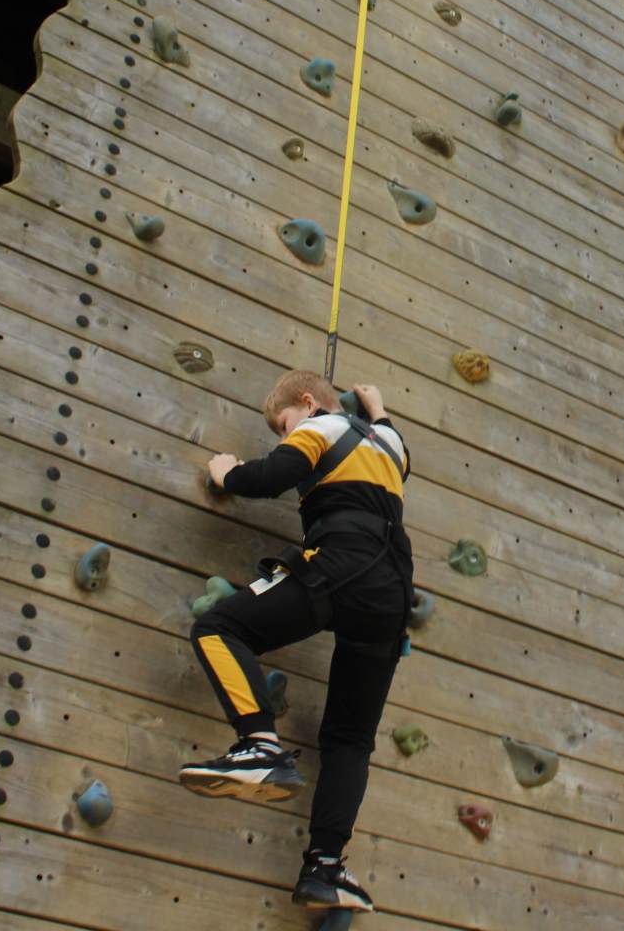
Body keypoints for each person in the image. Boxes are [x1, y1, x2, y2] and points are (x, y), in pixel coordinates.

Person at [181, 370, 413, 914]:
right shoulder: (390, 444)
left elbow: (272, 476)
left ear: (307, 403)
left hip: (342, 566)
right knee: (350, 739)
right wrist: (377, 405)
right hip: (392, 596)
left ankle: (259, 745)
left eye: (283, 424)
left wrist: (226, 473)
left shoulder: (320, 427)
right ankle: (326, 868)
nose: (286, 435)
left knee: (217, 629)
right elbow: (393, 439)